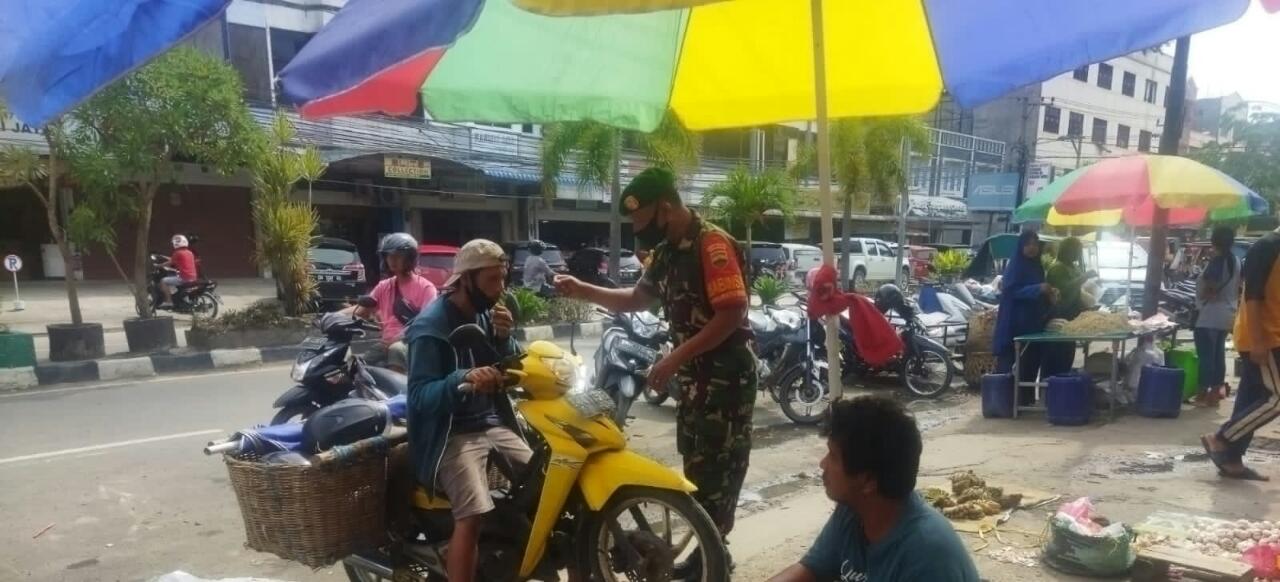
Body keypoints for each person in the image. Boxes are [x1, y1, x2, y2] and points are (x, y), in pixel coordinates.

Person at [554, 167, 755, 576]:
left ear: (665, 207)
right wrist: (582, 289)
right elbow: (637, 298)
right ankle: (710, 556)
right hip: (696, 381)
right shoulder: (666, 251)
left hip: (726, 380)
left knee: (720, 473)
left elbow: (732, 313)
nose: (640, 230)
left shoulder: (711, 244)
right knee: (698, 471)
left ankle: (713, 559)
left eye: (643, 220)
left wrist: (674, 358)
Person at [403, 239, 528, 582]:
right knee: (472, 514)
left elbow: (510, 367)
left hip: (492, 422)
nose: (500, 289)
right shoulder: (430, 327)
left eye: (502, 279)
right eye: (492, 280)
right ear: (466, 280)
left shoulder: (487, 314)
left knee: (546, 483)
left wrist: (504, 339)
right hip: (451, 434)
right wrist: (462, 377)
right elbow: (419, 396)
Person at [767, 396, 980, 582]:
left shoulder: (928, 555)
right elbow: (812, 569)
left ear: (868, 480)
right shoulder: (853, 511)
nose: (823, 464)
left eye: (833, 456)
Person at [1201, 228, 1279, 482]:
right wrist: (1258, 342)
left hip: (1269, 336)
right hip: (1265, 337)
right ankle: (1221, 438)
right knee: (1276, 399)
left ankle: (1232, 459)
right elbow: (1253, 298)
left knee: (1249, 399)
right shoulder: (1267, 247)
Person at [992, 229, 1056, 405]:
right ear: (1021, 246)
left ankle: (1026, 400)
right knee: (1012, 362)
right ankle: (1007, 402)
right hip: (1015, 322)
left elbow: (1040, 291)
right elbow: (1010, 291)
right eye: (1028, 244)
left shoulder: (1037, 266)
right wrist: (1037, 289)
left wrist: (1049, 294)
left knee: (1031, 361)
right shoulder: (1015, 266)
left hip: (1033, 322)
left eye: (1035, 244)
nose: (1032, 248)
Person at [367, 233, 438, 372]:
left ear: (410, 258)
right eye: (389, 255)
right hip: (386, 343)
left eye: (398, 256)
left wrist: (397, 339)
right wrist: (334, 316)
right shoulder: (384, 286)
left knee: (396, 350)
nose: (392, 260)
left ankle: (398, 386)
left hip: (413, 342)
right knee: (358, 364)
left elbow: (427, 324)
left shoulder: (426, 288)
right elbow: (362, 308)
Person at [1192, 227, 1240, 407]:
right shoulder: (1236, 260)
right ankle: (1214, 393)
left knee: (1206, 356)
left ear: (1214, 241)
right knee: (1218, 355)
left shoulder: (1218, 261)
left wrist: (1203, 294)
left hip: (1210, 314)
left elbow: (1210, 289)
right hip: (1227, 313)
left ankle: (1202, 394)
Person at [1042, 237, 1093, 377]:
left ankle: (1062, 384)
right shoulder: (1057, 268)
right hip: (1058, 318)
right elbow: (1064, 289)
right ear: (1068, 250)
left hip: (1071, 318)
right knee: (1056, 359)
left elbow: (1077, 293)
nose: (1078, 254)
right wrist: (1083, 277)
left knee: (1067, 356)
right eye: (1076, 251)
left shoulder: (1074, 267)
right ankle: (1050, 387)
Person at [161, 234, 199, 307]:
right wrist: (164, 257)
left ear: (175, 243)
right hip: (193, 277)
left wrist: (159, 265)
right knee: (175, 276)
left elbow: (171, 262)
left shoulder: (177, 252)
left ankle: (169, 301)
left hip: (184, 278)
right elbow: (176, 259)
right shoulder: (189, 252)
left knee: (163, 281)